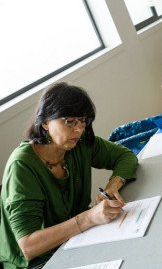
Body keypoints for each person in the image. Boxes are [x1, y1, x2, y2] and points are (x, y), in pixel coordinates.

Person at [0, 82, 138, 269]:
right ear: (46, 122)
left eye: (82, 121)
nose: (79, 129)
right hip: (36, 263)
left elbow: (125, 156)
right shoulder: (22, 165)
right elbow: (28, 246)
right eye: (69, 121)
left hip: (75, 241)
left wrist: (112, 186)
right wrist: (89, 218)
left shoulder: (79, 144)